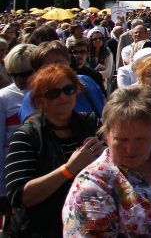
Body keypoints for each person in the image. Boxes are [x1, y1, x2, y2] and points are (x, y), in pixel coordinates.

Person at [62, 86, 151, 236]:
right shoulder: (92, 189)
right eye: (121, 140)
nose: (130, 149)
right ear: (106, 134)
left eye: (140, 139)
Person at [5, 64, 103, 237]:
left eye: (69, 89)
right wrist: (68, 169)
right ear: (39, 100)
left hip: (89, 226)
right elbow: (21, 196)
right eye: (53, 93)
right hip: (41, 229)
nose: (63, 96)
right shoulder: (26, 136)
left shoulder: (92, 124)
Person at [19, 41, 105, 121]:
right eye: (47, 66)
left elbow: (105, 116)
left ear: (68, 62)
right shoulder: (33, 97)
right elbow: (34, 130)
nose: (55, 68)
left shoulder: (86, 82)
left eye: (58, 62)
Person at [0, 45, 36, 212]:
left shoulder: (54, 93)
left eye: (25, 73)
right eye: (13, 74)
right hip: (15, 178)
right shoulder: (3, 98)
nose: (18, 80)